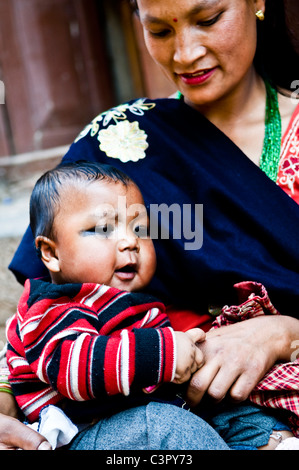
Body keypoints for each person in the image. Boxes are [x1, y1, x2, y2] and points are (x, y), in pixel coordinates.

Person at [5, 0, 299, 449]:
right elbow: (43, 308)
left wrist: (282, 333)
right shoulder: (118, 146)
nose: (185, 53)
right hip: (151, 422)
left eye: (208, 20)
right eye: (160, 30)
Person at [7, 161, 230, 450]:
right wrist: (163, 353)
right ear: (50, 253)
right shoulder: (54, 305)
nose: (130, 241)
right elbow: (71, 367)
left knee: (235, 409)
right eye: (102, 228)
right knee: (166, 426)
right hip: (84, 432)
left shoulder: (127, 300)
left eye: (140, 228)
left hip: (142, 415)